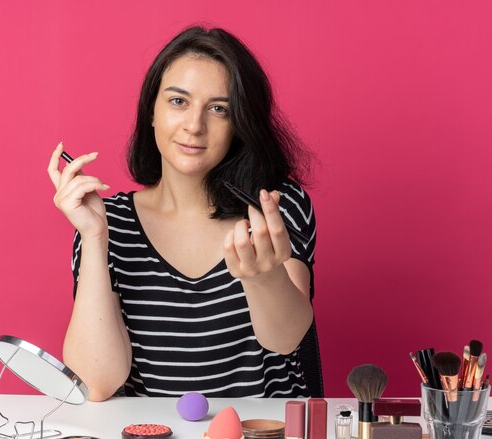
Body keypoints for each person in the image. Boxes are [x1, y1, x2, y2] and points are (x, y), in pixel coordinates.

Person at [47, 26, 317, 401]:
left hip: (259, 429)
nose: (194, 125)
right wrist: (95, 238)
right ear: (151, 112)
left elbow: (287, 340)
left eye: (219, 109)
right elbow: (98, 382)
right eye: (178, 102)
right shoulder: (110, 224)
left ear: (239, 124)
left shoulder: (276, 206)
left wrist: (263, 277)